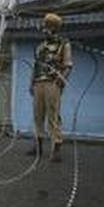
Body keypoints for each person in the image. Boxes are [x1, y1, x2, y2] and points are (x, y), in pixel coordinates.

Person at [27, 13, 73, 162]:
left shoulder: (63, 44)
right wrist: (31, 83)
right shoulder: (40, 47)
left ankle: (56, 148)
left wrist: (61, 81)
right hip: (38, 83)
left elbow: (68, 65)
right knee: (37, 115)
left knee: (53, 116)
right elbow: (35, 66)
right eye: (44, 26)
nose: (45, 30)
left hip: (53, 83)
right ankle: (38, 146)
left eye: (48, 27)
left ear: (54, 28)